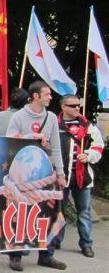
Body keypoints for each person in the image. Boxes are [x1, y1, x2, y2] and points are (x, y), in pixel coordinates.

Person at [5, 81, 66, 271]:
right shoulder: (18, 117)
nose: (50, 97)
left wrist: (61, 173)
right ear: (36, 96)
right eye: (47, 94)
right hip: (23, 173)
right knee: (22, 213)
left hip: (46, 171)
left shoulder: (52, 118)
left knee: (48, 214)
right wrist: (30, 136)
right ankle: (15, 255)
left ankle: (46, 254)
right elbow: (9, 141)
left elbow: (56, 146)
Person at [53, 95, 103, 258]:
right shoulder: (55, 125)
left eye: (78, 106)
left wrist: (88, 155)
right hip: (60, 176)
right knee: (59, 211)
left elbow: (99, 146)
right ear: (63, 107)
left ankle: (86, 244)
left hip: (82, 177)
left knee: (84, 212)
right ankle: (55, 240)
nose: (76, 108)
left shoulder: (87, 126)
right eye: (72, 105)